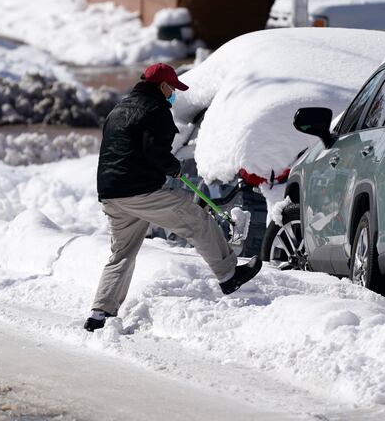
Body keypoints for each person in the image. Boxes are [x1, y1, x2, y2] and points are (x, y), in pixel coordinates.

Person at [84, 63, 261, 332]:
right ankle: (228, 275)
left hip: (111, 194)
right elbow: (153, 150)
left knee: (122, 253)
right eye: (172, 88)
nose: (173, 94)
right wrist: (173, 167)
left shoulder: (118, 109)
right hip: (140, 190)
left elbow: (121, 149)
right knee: (197, 220)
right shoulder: (155, 110)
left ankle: (99, 313)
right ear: (162, 86)